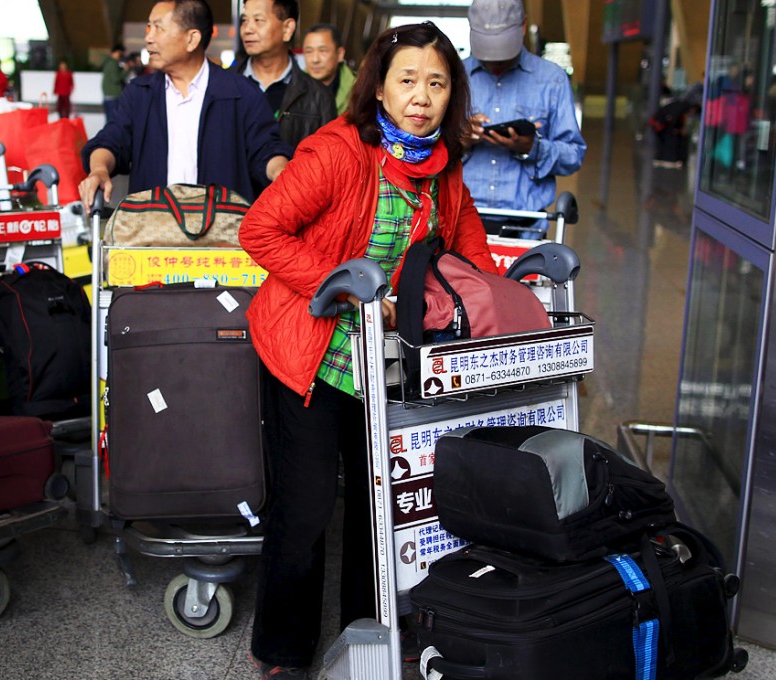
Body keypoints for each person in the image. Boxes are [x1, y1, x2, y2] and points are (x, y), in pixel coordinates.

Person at [240, 22, 496, 679]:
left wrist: (505, 310)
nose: (421, 96)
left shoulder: (442, 169)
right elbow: (260, 230)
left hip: (381, 366)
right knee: (303, 507)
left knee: (377, 502)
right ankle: (282, 651)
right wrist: (339, 286)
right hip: (309, 352)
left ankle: (368, 634)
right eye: (407, 80)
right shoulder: (337, 153)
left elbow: (472, 257)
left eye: (436, 83)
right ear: (378, 88)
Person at [79, 0, 292, 208]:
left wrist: (280, 172)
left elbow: (266, 150)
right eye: (149, 27)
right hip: (153, 231)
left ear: (192, 39)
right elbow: (111, 141)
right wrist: (99, 170)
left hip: (221, 234)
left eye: (159, 28)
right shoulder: (140, 94)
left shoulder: (240, 94)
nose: (148, 38)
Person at [463, 0, 586, 239]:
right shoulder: (455, 76)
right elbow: (423, 150)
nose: (495, 59)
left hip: (526, 228)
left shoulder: (552, 80)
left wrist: (533, 148)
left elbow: (573, 155)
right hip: (461, 221)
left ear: (522, 27)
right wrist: (458, 138)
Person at [234, 0, 337, 151]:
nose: (247, 29)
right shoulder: (224, 87)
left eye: (258, 20)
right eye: (244, 20)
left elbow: (327, 161)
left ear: (287, 28)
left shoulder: (320, 97)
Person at [302, 23, 356, 115]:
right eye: (309, 51)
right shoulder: (293, 85)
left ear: (339, 54)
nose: (315, 59)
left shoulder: (358, 89)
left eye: (323, 51)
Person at [101, 44, 127, 124]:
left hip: (109, 96)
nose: (121, 56)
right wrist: (125, 70)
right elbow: (116, 79)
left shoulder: (108, 62)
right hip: (113, 96)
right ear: (117, 52)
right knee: (113, 122)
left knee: (110, 121)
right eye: (121, 53)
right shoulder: (113, 63)